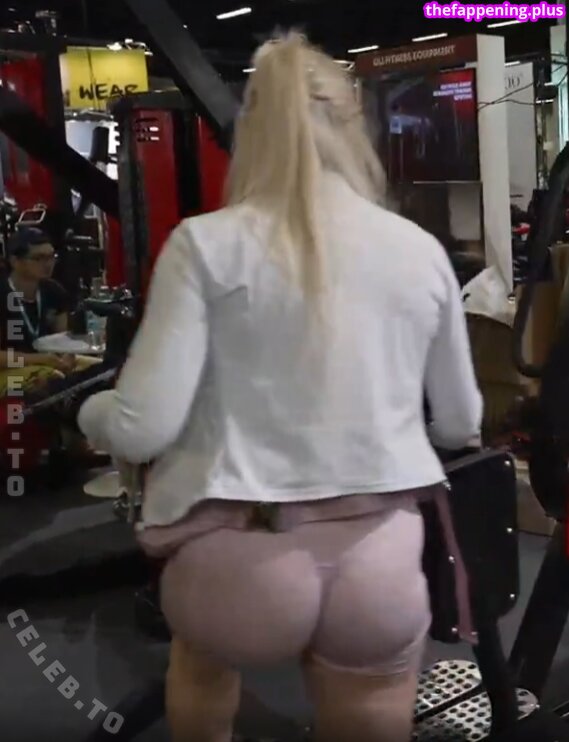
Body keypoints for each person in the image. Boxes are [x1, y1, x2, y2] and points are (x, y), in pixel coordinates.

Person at [78, 34, 482, 742]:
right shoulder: (419, 250)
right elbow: (459, 422)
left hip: (237, 555)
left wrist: (92, 412)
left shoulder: (205, 245)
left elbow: (143, 426)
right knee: (371, 707)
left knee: (202, 673)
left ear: (252, 132)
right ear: (351, 123)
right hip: (379, 554)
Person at [0, 227, 75, 396]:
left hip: (47, 364)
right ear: (15, 261)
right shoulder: (2, 294)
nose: (48, 264)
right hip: (9, 369)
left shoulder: (54, 291)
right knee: (50, 379)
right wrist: (40, 360)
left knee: (101, 370)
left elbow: (63, 339)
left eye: (51, 257)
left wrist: (67, 357)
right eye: (39, 258)